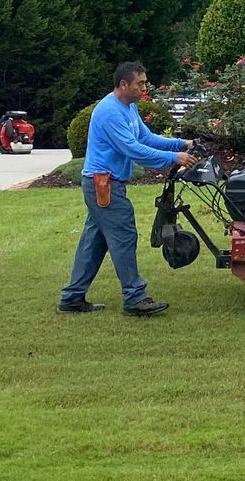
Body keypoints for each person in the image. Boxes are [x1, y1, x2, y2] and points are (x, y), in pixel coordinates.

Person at [58, 61, 199, 316]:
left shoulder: (128, 107)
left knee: (94, 242)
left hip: (105, 184)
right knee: (124, 236)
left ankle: (72, 299)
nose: (144, 88)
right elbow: (132, 149)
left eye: (145, 82)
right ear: (124, 84)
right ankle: (135, 298)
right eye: (140, 83)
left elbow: (145, 138)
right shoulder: (110, 112)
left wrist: (181, 143)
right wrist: (174, 158)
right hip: (104, 185)